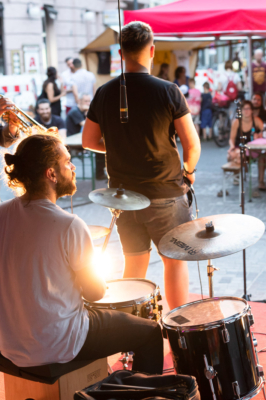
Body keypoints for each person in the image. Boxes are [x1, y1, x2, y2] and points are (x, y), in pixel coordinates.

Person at [0, 133, 164, 373]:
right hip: (57, 343)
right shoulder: (69, 225)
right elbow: (95, 293)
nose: (73, 167)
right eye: (67, 162)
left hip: (9, 344)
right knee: (150, 332)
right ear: (51, 174)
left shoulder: (2, 214)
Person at [82, 21, 201, 312]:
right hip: (165, 193)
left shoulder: (105, 92)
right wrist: (188, 171)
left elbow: (88, 141)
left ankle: (131, 337)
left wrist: (123, 147)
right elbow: (192, 145)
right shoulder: (168, 90)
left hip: (123, 198)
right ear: (152, 51)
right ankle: (177, 331)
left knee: (133, 265)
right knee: (174, 262)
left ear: (120, 53)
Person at [227, 100, 265, 190]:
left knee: (262, 157)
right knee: (233, 154)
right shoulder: (236, 122)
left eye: (248, 108)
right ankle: (236, 175)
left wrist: (259, 135)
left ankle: (261, 181)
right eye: (244, 109)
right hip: (239, 148)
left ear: (252, 110)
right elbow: (231, 139)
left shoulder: (256, 120)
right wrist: (231, 146)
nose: (246, 111)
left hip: (253, 149)